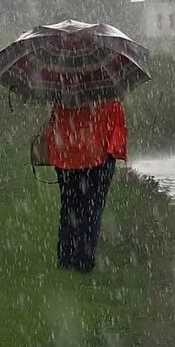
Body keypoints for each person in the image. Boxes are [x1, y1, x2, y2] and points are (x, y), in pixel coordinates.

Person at [48, 98, 127, 273]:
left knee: (69, 206)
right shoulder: (108, 94)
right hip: (98, 157)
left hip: (66, 157)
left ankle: (66, 258)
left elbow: (55, 125)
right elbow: (117, 129)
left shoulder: (63, 91)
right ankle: (84, 260)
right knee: (93, 208)